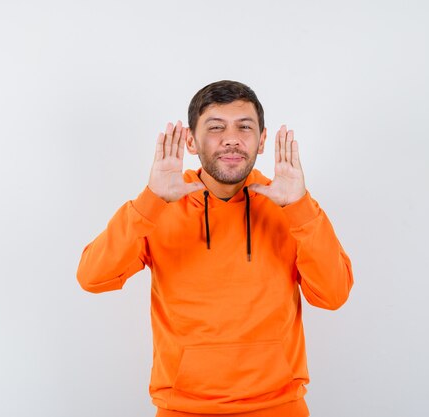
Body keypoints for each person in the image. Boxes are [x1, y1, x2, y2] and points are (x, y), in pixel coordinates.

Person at [77, 80, 353, 417]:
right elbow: (92, 277)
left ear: (262, 140)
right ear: (191, 140)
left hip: (280, 407)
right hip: (183, 409)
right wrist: (151, 201)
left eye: (245, 127)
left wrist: (300, 207)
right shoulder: (159, 207)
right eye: (216, 127)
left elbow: (334, 294)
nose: (232, 138)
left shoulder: (291, 206)